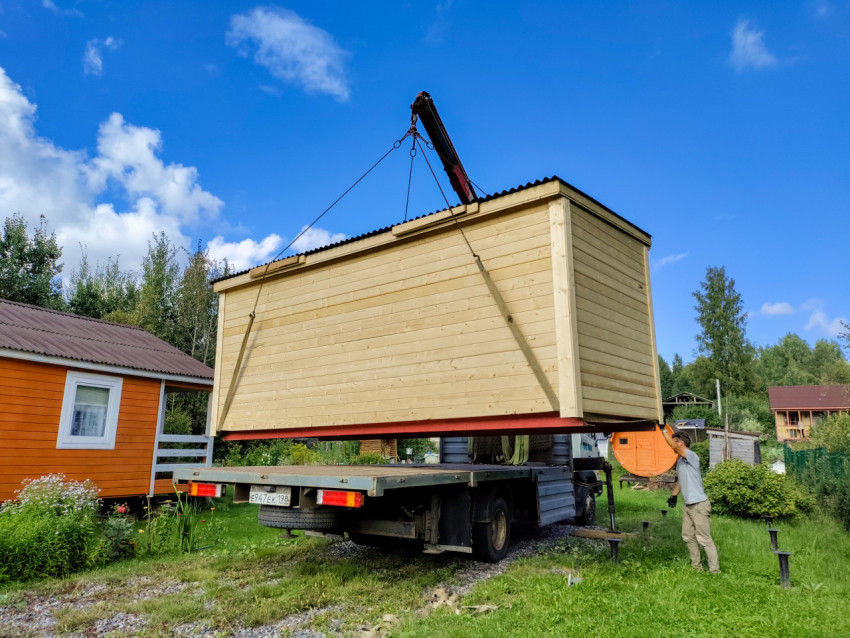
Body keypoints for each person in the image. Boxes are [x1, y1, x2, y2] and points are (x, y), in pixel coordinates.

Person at [660, 425, 720, 574]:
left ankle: (715, 571)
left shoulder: (691, 455)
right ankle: (697, 567)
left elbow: (674, 446)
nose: (673, 446)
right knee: (687, 536)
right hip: (688, 506)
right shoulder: (680, 461)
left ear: (681, 443)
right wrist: (674, 495)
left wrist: (663, 430)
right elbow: (681, 479)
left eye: (675, 443)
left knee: (704, 539)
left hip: (699, 505)